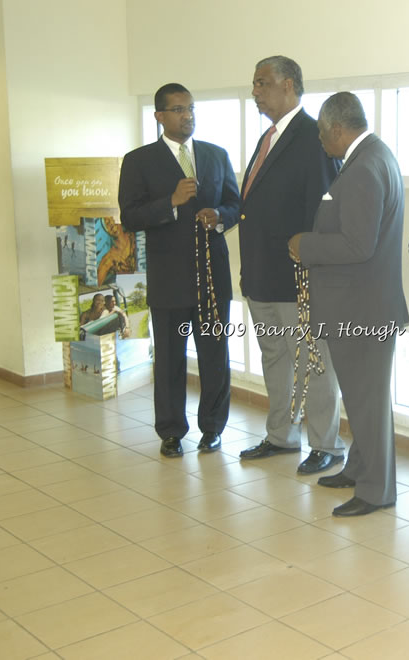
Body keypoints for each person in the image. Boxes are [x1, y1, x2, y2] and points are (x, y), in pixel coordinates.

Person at [288, 92, 408, 516]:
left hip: (361, 311)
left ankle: (376, 491)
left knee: (367, 404)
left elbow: (358, 244)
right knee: (363, 401)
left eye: (323, 134)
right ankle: (359, 468)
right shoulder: (376, 156)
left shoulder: (362, 169)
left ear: (338, 129)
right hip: (365, 306)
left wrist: (305, 244)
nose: (322, 143)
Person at [237, 56, 347, 475]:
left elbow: (323, 210)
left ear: (288, 85)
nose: (255, 91)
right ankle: (281, 436)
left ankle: (326, 445)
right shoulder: (270, 136)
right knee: (275, 360)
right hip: (261, 275)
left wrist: (312, 269)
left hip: (297, 279)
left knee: (313, 363)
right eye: (254, 83)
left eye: (261, 82)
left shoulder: (312, 135)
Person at [119, 83, 239, 458]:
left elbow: (236, 203)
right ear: (159, 116)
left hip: (212, 278)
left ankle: (213, 429)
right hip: (169, 280)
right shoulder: (139, 160)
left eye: (190, 109)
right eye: (178, 110)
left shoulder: (216, 155)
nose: (187, 116)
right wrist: (169, 202)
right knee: (170, 359)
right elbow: (130, 217)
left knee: (214, 357)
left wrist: (219, 216)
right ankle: (171, 431)